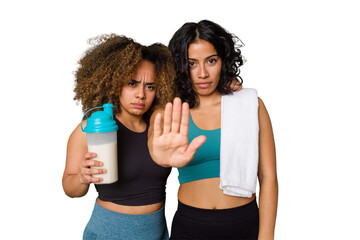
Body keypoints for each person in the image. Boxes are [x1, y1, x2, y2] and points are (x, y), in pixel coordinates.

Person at [148, 20, 278, 239]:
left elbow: (268, 177)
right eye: (192, 63)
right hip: (190, 225)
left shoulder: (249, 105)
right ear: (180, 65)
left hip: (244, 223)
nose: (202, 73)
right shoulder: (170, 109)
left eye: (211, 61)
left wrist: (266, 237)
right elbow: (155, 149)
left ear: (223, 61)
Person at [62, 34, 176, 240]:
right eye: (132, 83)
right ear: (114, 83)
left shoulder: (159, 126)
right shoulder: (93, 127)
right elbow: (70, 188)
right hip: (109, 232)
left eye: (150, 86)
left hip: (157, 232)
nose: (141, 94)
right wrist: (81, 177)